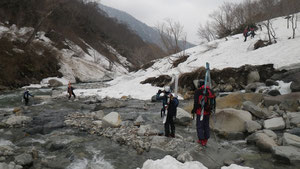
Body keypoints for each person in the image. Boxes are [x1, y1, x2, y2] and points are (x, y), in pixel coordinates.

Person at [191, 80, 216, 147]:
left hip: (200, 111)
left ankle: (201, 140)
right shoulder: (210, 91)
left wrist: (194, 110)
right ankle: (206, 139)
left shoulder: (198, 91)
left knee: (199, 126)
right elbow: (213, 102)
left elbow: (196, 103)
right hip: (208, 111)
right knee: (206, 125)